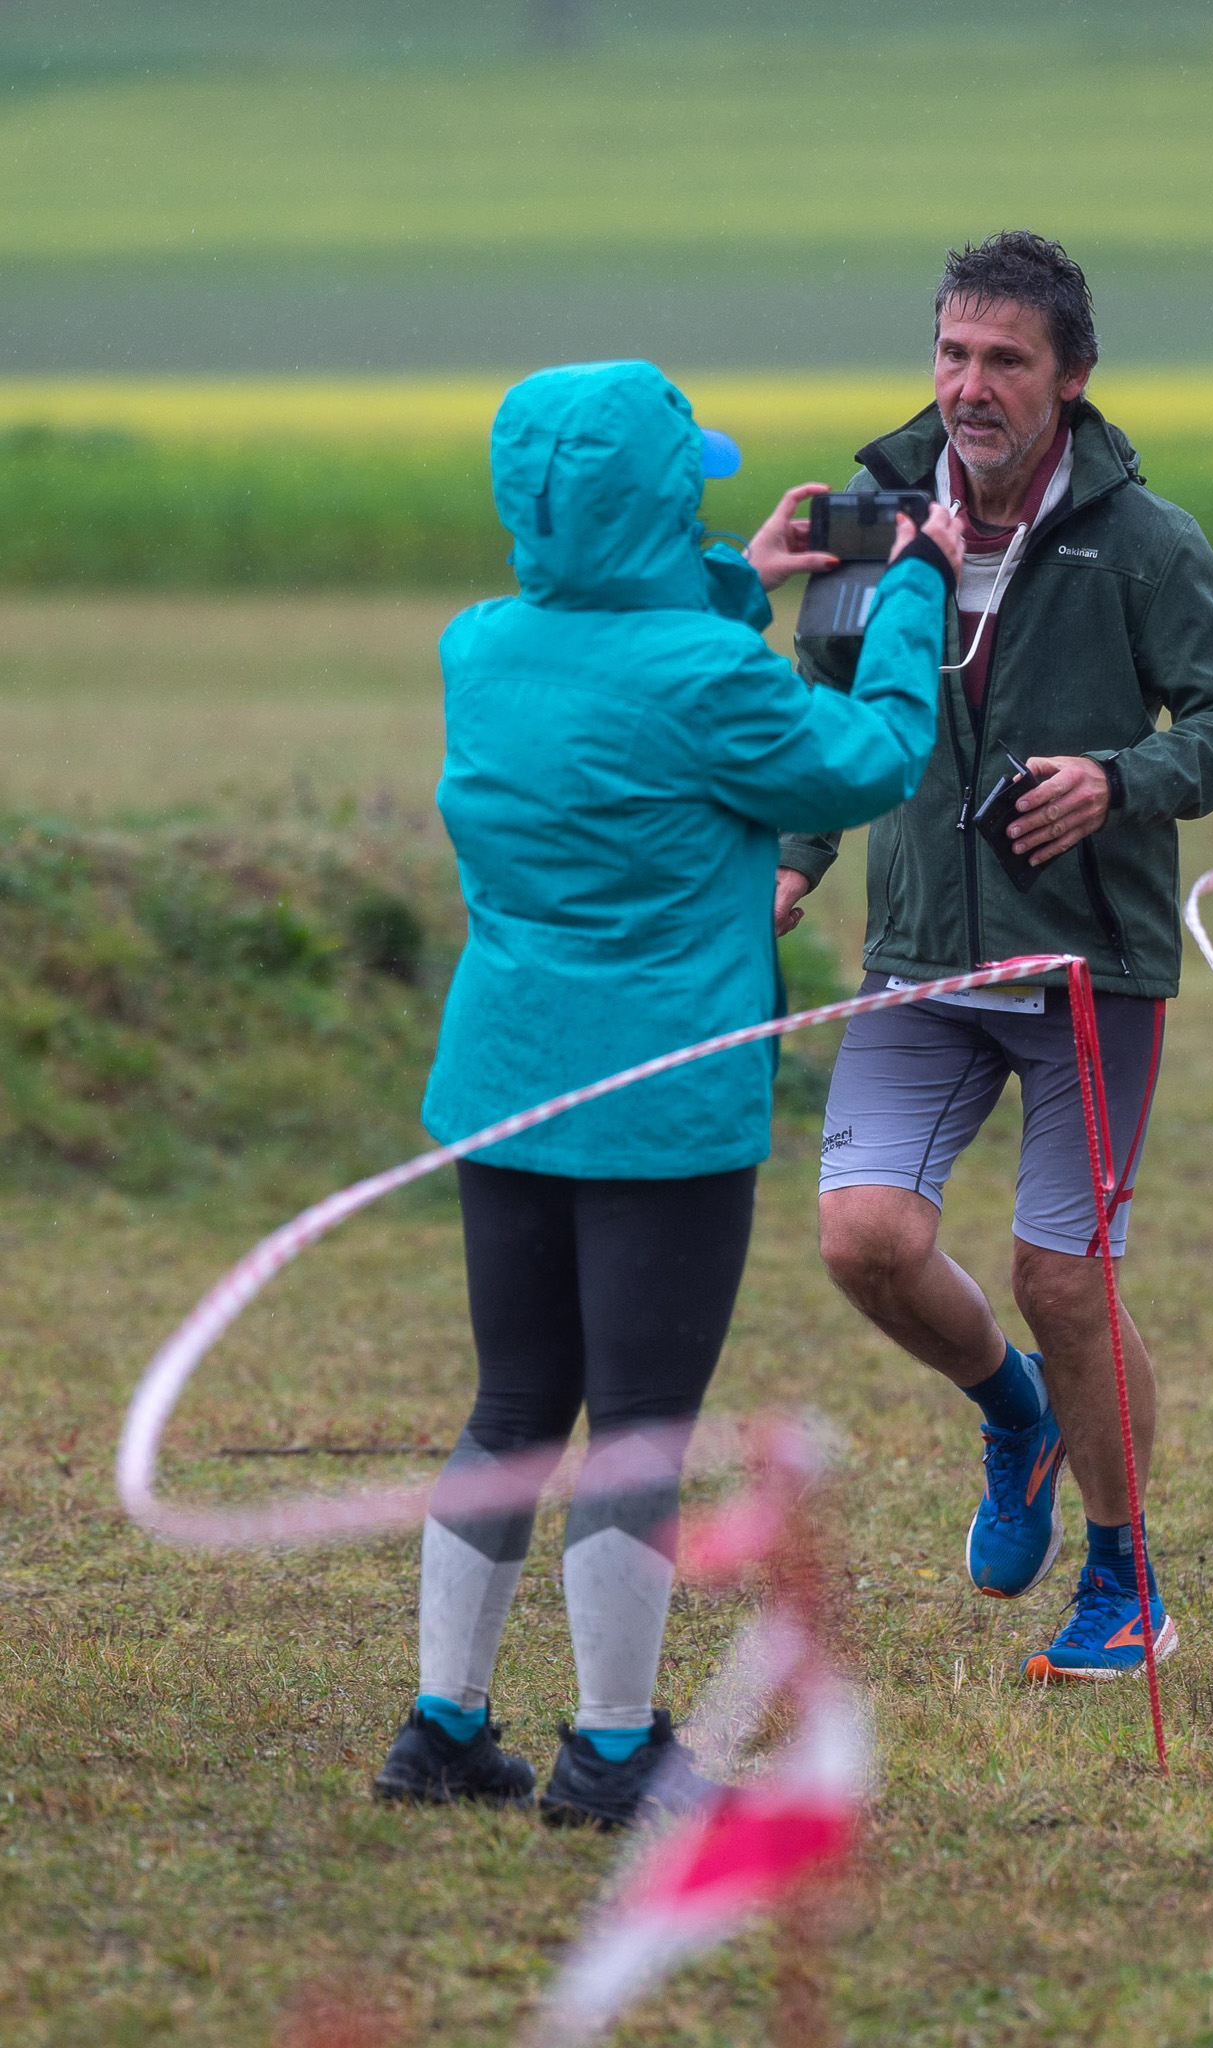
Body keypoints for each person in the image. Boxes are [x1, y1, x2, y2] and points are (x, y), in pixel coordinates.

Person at [374, 357, 965, 1823]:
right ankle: (615, 1752)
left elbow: (618, 662)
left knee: (515, 1403)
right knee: (640, 1422)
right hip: (663, 1098)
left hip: (508, 1080)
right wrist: (915, 589)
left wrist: (734, 578)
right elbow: (872, 759)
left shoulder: (479, 648)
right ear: (650, 506)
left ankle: (443, 1728)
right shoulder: (711, 681)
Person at [776, 232, 1213, 1683]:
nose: (971, 385)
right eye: (953, 353)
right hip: (921, 960)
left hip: (1088, 972)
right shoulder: (874, 521)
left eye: (1006, 359)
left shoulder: (1144, 541)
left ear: (1072, 377)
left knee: (1066, 1282)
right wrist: (795, 859)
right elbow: (824, 708)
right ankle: (1017, 1412)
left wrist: (1120, 780)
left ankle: (1124, 1582)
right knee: (864, 1241)